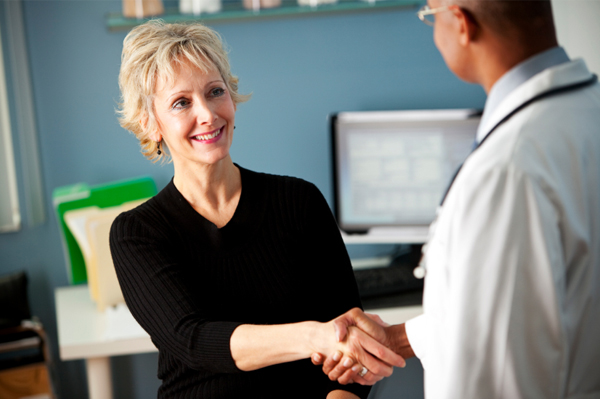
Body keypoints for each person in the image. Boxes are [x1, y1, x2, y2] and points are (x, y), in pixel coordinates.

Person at [312, 1, 600, 397]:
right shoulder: (586, 111)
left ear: (462, 24)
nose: (433, 32)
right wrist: (396, 338)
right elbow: (516, 312)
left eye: (431, 16)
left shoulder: (507, 170)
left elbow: (494, 371)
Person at [109, 20, 404, 399]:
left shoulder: (299, 202)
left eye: (215, 92)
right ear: (151, 124)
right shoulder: (138, 233)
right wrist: (317, 335)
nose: (208, 114)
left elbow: (350, 346)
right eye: (181, 102)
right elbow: (195, 341)